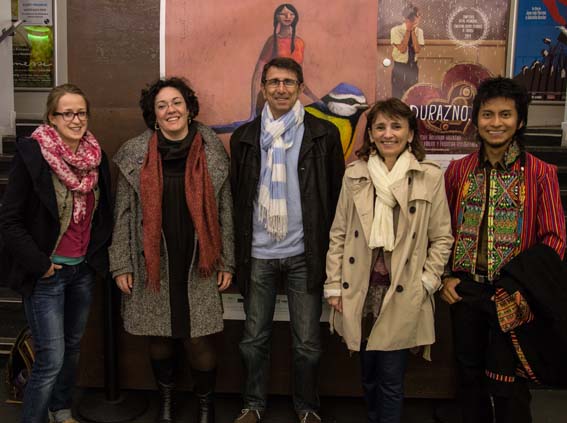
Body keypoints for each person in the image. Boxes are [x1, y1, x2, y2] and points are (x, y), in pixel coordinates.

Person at [441, 77, 566, 423]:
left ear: (520, 121)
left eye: (505, 115)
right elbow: (442, 231)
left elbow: (555, 238)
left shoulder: (541, 173)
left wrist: (520, 286)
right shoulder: (458, 171)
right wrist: (446, 277)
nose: (495, 123)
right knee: (468, 376)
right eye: (487, 114)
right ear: (476, 120)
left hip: (513, 297)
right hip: (465, 291)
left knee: (509, 383)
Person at [109, 77, 234, 423]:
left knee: (197, 340)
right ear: (154, 115)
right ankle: (166, 402)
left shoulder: (212, 152)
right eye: (162, 105)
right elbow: (122, 215)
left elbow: (225, 212)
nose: (170, 110)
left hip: (199, 261)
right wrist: (121, 264)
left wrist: (227, 261)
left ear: (189, 109)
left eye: (177, 102)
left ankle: (205, 406)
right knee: (159, 336)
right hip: (152, 261)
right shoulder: (135, 154)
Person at [324, 98, 453, 423]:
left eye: (396, 126)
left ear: (410, 133)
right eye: (380, 127)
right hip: (361, 291)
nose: (388, 133)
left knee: (391, 378)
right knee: (368, 373)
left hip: (402, 291)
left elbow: (442, 238)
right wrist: (334, 286)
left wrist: (426, 282)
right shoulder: (355, 174)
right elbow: (339, 234)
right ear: (370, 135)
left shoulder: (428, 176)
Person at [230, 57, 344, 423]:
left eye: (289, 82)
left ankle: (307, 406)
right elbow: (236, 198)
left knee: (307, 342)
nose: (281, 88)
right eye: (274, 82)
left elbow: (336, 196)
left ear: (300, 88)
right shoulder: (244, 138)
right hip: (258, 253)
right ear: (263, 88)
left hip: (304, 253)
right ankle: (253, 404)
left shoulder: (324, 134)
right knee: (253, 339)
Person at [0, 83, 113, 423]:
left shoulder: (96, 158)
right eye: (67, 113)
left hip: (81, 272)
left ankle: (60, 410)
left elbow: (103, 214)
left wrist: (94, 258)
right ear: (51, 117)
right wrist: (41, 265)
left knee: (73, 348)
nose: (76, 120)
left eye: (81, 112)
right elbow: (9, 220)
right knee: (50, 359)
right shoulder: (33, 156)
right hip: (46, 275)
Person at [390, 4, 424, 99]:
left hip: (413, 66)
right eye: (418, 15)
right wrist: (408, 31)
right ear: (409, 17)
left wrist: (413, 32)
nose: (419, 18)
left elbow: (417, 50)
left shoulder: (419, 31)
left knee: (412, 93)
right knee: (397, 93)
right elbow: (402, 49)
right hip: (399, 66)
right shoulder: (396, 30)